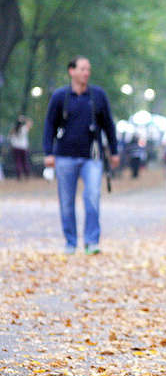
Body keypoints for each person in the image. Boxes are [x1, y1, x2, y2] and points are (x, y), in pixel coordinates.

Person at [42, 56, 120, 254]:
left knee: (92, 196)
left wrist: (114, 151)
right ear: (72, 71)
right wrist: (48, 152)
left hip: (91, 156)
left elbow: (109, 125)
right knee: (67, 201)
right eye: (83, 69)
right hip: (64, 156)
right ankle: (70, 242)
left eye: (88, 69)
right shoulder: (60, 96)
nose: (86, 73)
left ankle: (92, 241)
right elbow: (49, 124)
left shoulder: (97, 96)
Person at [9, 115, 33, 180]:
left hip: (16, 147)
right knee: (25, 161)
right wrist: (25, 118)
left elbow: (10, 137)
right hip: (23, 148)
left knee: (18, 162)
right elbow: (30, 122)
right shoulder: (24, 128)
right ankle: (26, 175)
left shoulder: (13, 130)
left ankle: (19, 176)